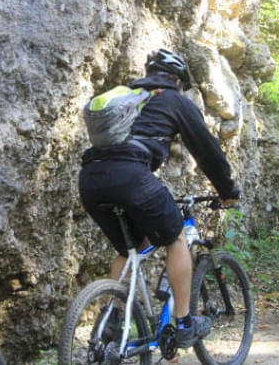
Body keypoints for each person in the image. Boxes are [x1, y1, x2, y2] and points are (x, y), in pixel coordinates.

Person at [79, 48, 240, 348]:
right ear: (177, 81)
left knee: (130, 250)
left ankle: (110, 321)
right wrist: (227, 191)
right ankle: (183, 324)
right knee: (176, 237)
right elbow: (207, 152)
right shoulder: (173, 100)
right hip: (131, 177)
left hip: (90, 179)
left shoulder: (123, 97)